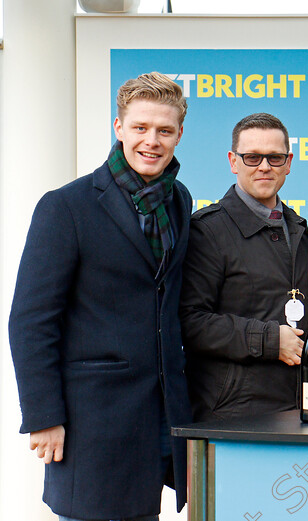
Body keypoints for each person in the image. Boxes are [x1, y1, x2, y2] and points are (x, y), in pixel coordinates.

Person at [8, 72, 193, 520]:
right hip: (91, 420)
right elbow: (31, 321)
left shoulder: (179, 201)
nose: (152, 141)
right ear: (118, 128)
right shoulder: (66, 206)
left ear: (179, 135)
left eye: (164, 131)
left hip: (158, 414)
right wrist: (43, 416)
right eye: (141, 128)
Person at [180, 113, 308, 421]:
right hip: (232, 415)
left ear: (289, 163)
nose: (264, 166)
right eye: (252, 157)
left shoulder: (302, 230)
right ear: (233, 161)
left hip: (299, 409)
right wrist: (268, 340)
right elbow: (189, 322)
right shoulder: (207, 231)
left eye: (274, 157)